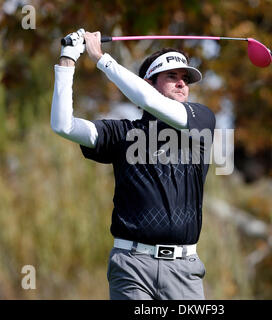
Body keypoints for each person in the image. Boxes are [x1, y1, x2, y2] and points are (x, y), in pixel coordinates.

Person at [51, 28, 216, 300]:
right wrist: (68, 58)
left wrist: (102, 59)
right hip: (131, 265)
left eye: (185, 78)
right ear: (149, 82)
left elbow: (149, 100)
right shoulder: (123, 134)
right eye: (172, 76)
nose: (182, 84)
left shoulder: (201, 122)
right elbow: (63, 125)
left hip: (184, 271)